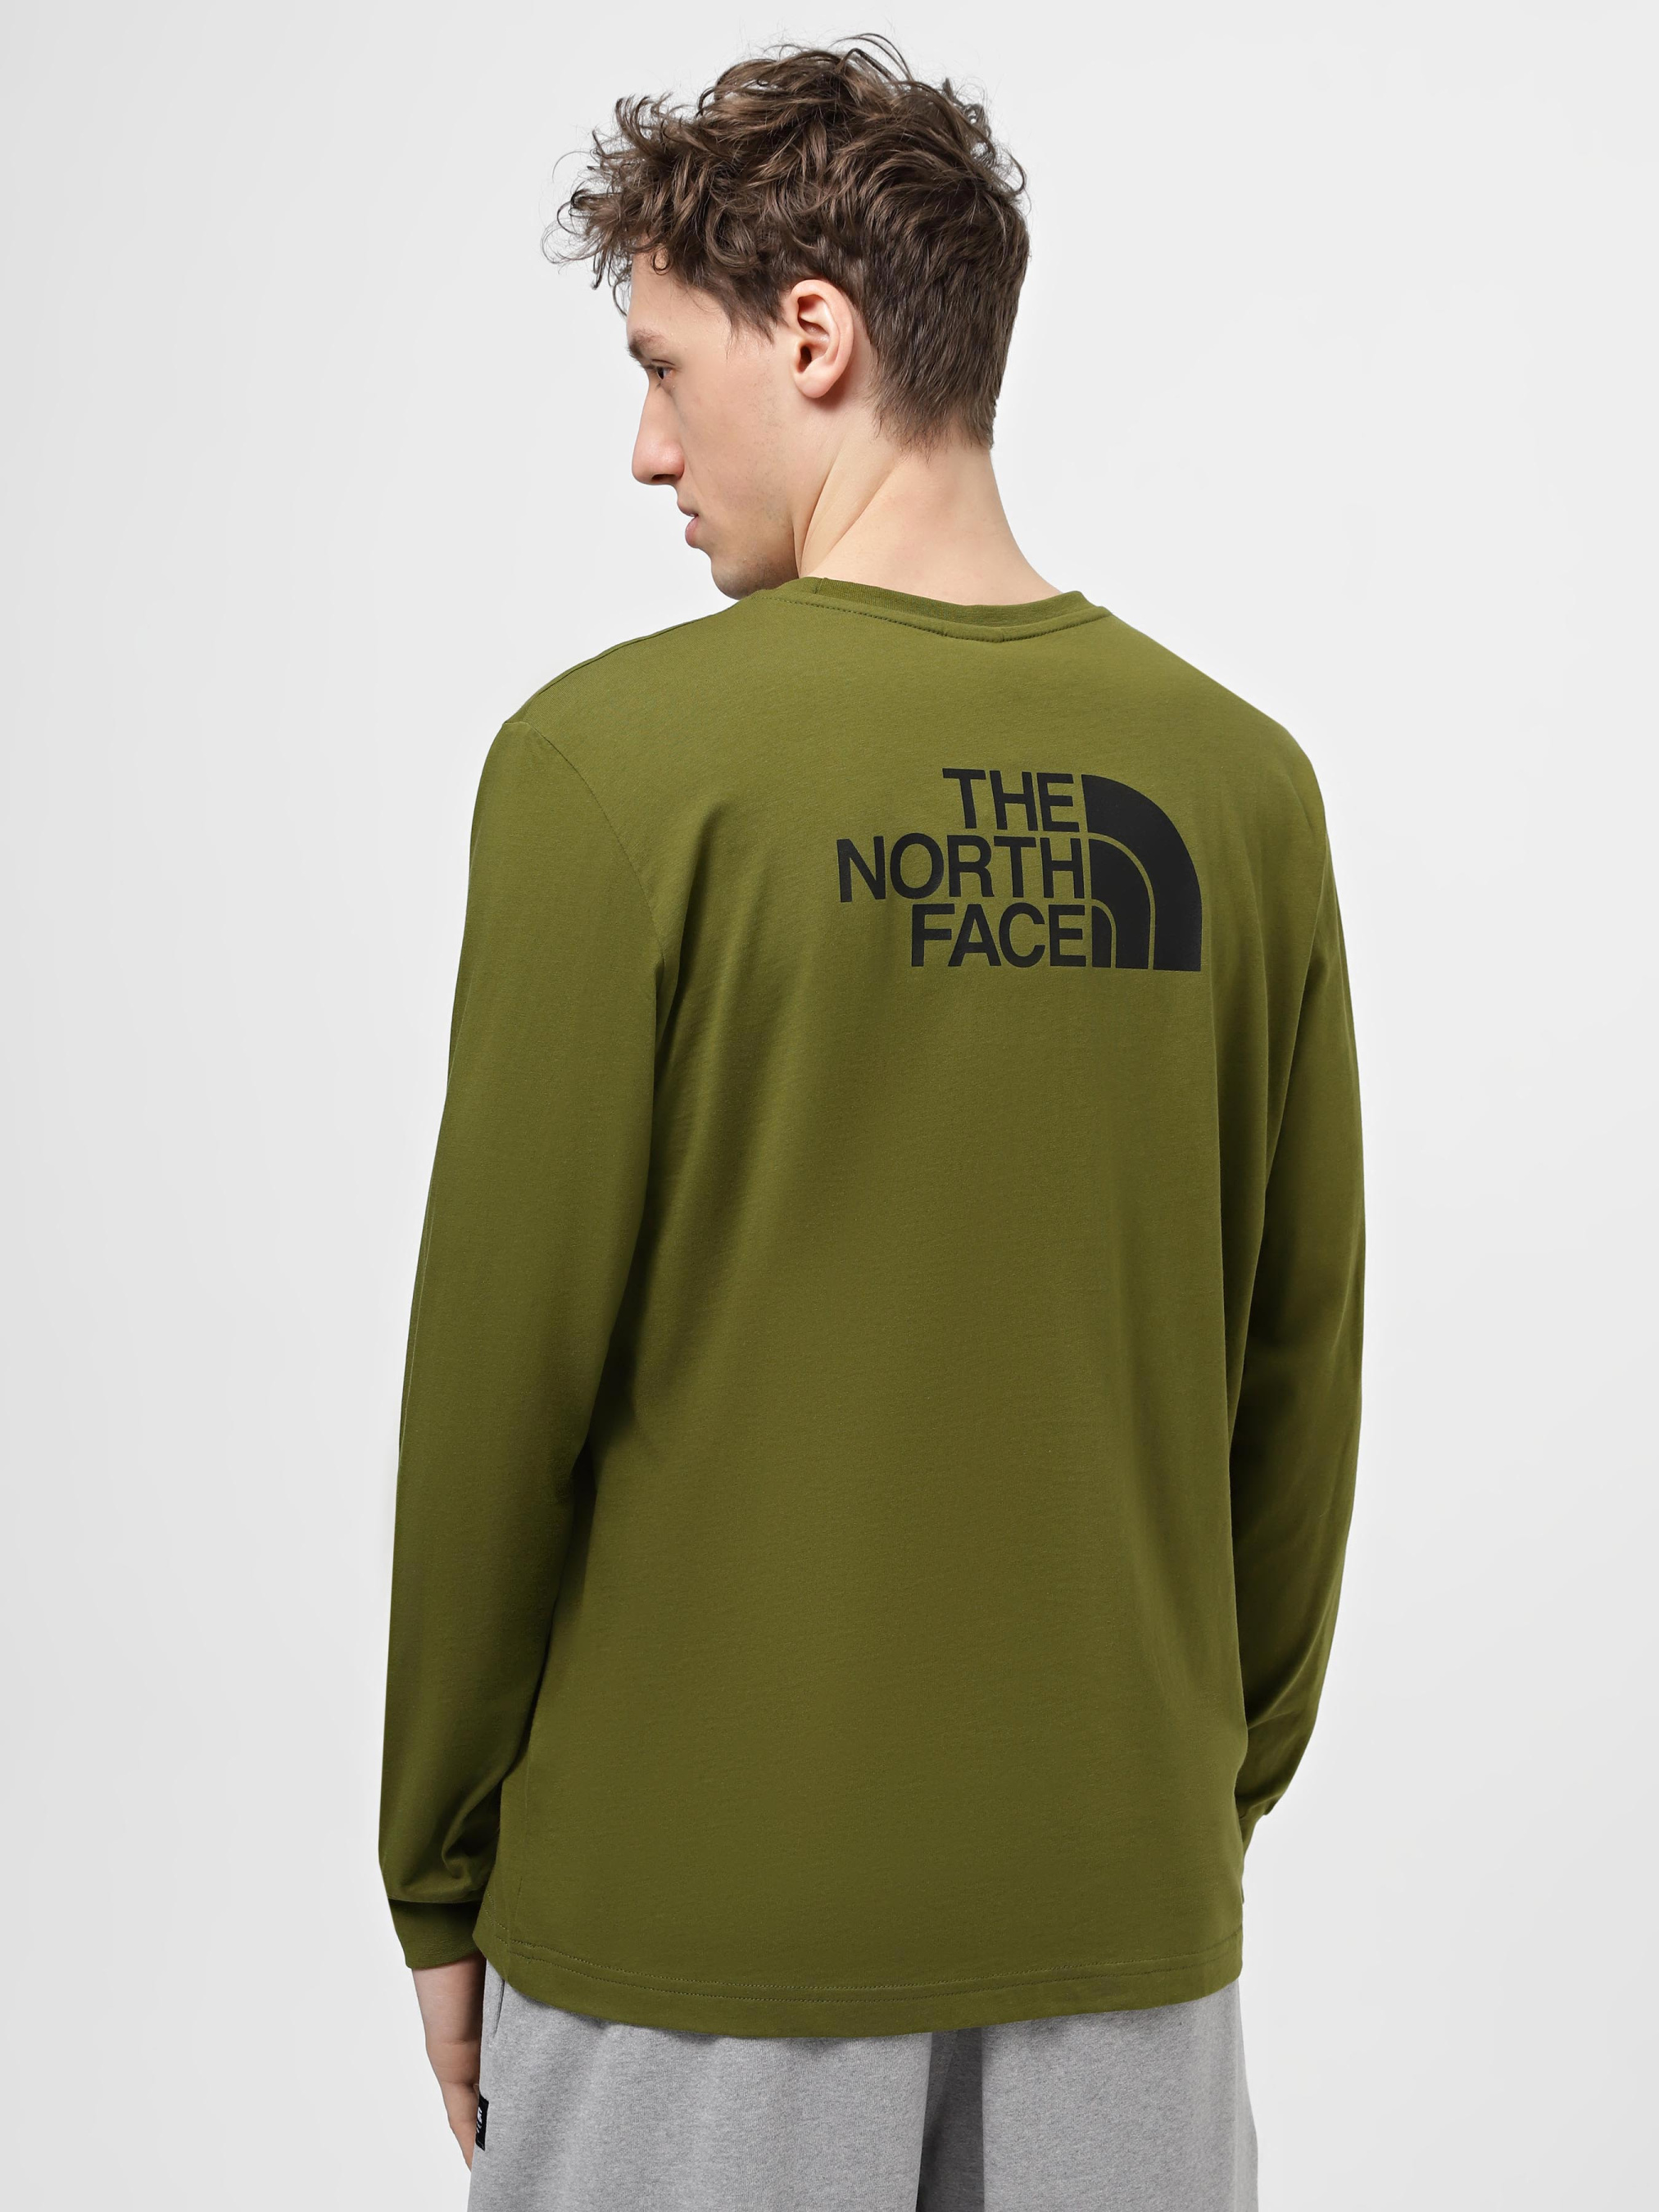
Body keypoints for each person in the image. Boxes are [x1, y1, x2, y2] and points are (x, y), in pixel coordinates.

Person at [378, 38, 1364, 2211]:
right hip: (1121, 1921)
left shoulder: (610, 770)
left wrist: (436, 1864)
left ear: (811, 334)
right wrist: (1187, 1793)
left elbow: (498, 1383)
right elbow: (1298, 1371)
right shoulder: (1240, 789)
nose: (647, 448)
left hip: (694, 1931)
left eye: (664, 366)